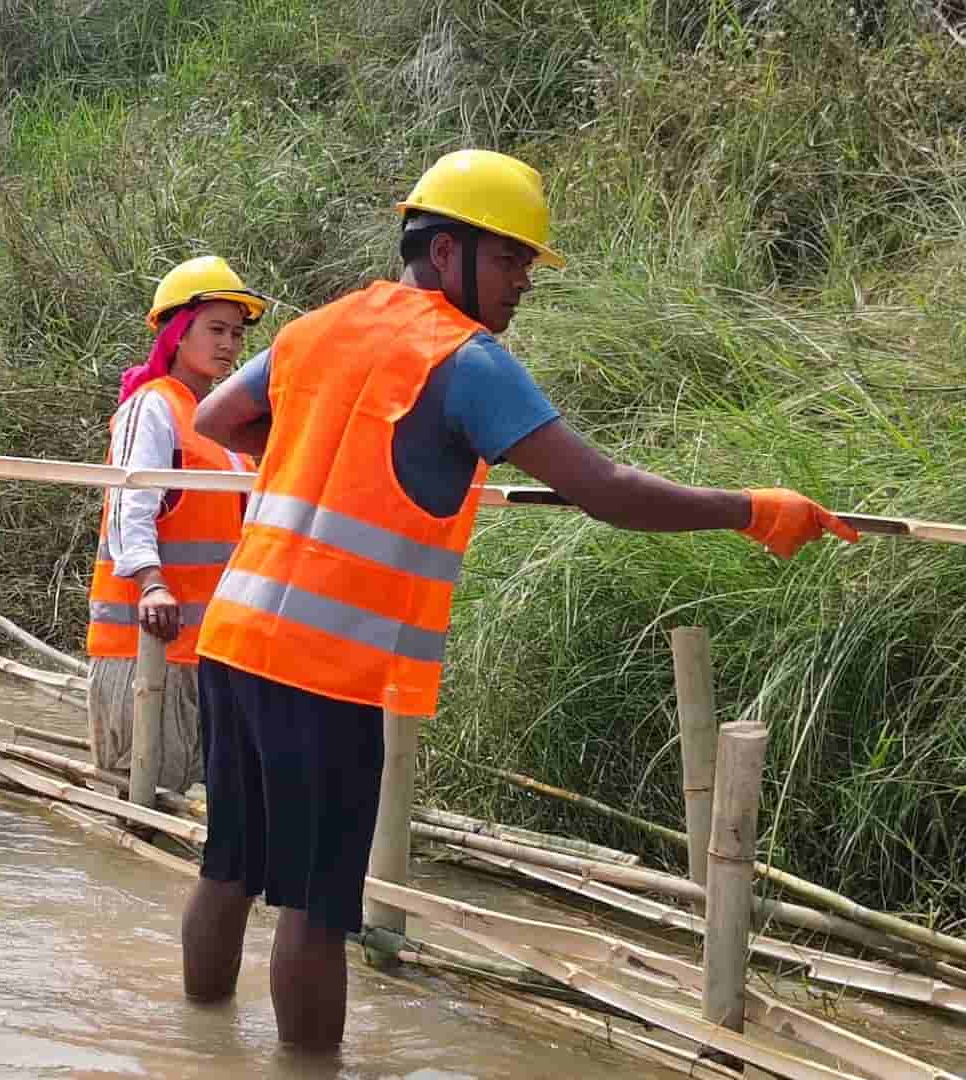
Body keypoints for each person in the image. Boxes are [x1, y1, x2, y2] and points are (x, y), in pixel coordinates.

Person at [180, 148, 859, 1051]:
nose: (524, 282)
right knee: (314, 906)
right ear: (445, 251)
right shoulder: (467, 361)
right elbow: (606, 489)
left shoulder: (318, 328)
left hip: (234, 640)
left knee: (228, 867)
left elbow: (217, 418)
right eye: (509, 259)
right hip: (326, 671)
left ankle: (194, 1049)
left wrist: (324, 450)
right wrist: (753, 510)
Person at [85, 256, 265, 794]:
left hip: (209, 647)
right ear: (178, 332)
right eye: (216, 330)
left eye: (236, 334)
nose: (229, 344)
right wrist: (151, 584)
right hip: (146, 643)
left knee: (199, 795)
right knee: (143, 797)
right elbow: (129, 505)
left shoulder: (227, 428)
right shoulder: (153, 406)